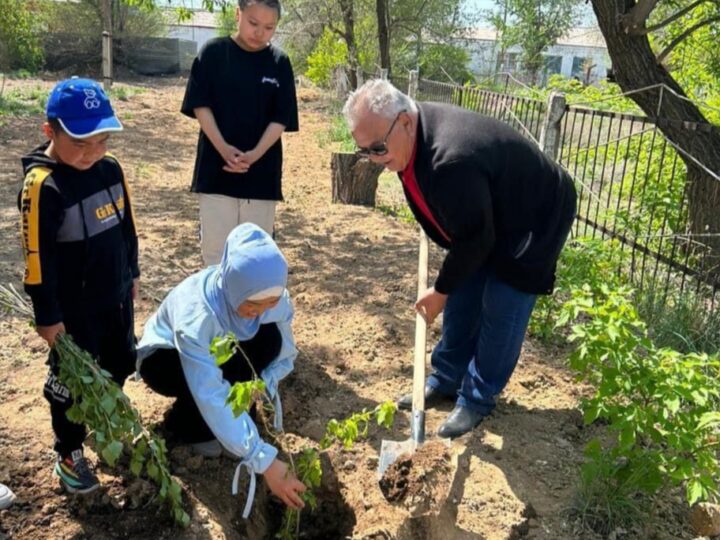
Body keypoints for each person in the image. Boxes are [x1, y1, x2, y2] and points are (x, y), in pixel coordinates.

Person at [343, 79, 577, 439]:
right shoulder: (409, 141)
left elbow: (474, 239)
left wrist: (439, 290)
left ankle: (477, 398)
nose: (374, 159)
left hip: (535, 216)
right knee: (464, 289)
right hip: (490, 215)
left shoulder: (449, 158)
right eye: (365, 151)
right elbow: (466, 239)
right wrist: (449, 286)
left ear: (405, 121)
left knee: (502, 301)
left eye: (377, 148)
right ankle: (446, 378)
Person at [18, 78, 140, 493]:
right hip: (74, 312)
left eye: (102, 140)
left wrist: (133, 273)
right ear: (49, 131)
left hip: (117, 298)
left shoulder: (111, 169)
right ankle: (69, 451)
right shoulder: (42, 186)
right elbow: (37, 260)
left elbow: (127, 228)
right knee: (72, 381)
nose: (92, 153)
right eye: (81, 142)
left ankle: (103, 425)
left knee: (121, 361)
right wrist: (47, 316)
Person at [136, 223, 305, 514]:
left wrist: (265, 383)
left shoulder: (271, 296)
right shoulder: (197, 317)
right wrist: (261, 459)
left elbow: (284, 348)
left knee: (269, 340)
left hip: (221, 355)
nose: (262, 310)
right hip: (167, 360)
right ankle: (187, 424)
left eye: (271, 302)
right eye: (253, 305)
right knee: (226, 373)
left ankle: (235, 427)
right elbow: (209, 390)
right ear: (236, 290)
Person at [181, 0, 299, 266]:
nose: (260, 33)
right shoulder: (213, 52)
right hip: (215, 170)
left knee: (256, 259)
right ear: (238, 15)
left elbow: (281, 118)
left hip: (261, 175)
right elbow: (200, 105)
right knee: (215, 256)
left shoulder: (279, 62)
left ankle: (254, 309)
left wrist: (255, 154)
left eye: (269, 27)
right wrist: (223, 148)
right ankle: (216, 308)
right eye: (253, 23)